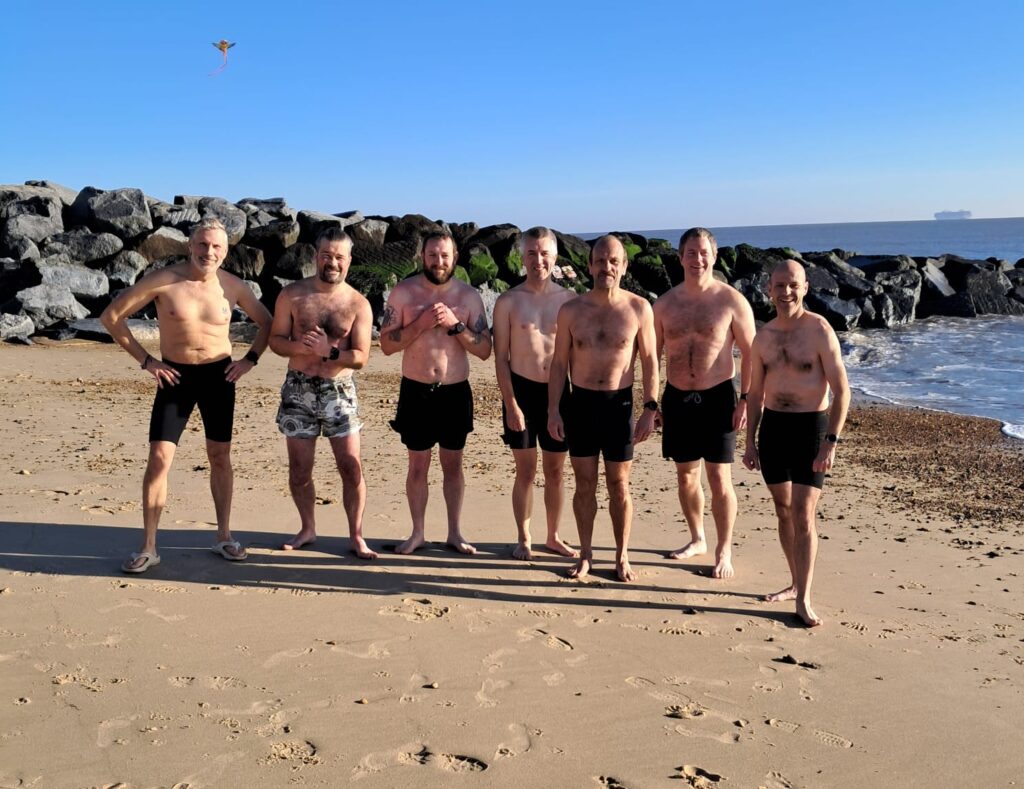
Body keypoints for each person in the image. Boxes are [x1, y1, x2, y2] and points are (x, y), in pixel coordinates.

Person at [100, 217, 271, 573]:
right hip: (175, 376)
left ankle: (224, 536)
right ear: (190, 245)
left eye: (217, 246)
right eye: (203, 244)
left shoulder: (233, 286)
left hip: (219, 376)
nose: (209, 252)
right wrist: (147, 361)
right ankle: (149, 546)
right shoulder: (164, 280)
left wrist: (249, 360)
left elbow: (267, 323)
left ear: (226, 251)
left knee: (220, 456)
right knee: (159, 458)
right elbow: (112, 316)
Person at [741, 259, 851, 627]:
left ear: (804, 288)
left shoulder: (819, 330)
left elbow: (842, 392)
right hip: (774, 429)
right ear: (768, 290)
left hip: (811, 429)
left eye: (793, 285)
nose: (786, 292)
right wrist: (750, 442)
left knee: (804, 513)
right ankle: (794, 582)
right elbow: (755, 395)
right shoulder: (763, 337)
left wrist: (830, 442)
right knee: (783, 510)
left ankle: (804, 597)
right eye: (779, 285)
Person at [547, 234, 658, 582]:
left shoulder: (639, 308)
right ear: (589, 265)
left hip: (618, 405)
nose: (605, 267)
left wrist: (650, 408)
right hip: (580, 405)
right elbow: (558, 363)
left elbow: (650, 361)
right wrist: (553, 410)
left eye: (613, 261)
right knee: (584, 484)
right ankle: (585, 554)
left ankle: (622, 556)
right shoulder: (571, 310)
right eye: (599, 260)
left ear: (624, 266)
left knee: (619, 484)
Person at [379, 230, 492, 554]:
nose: (438, 261)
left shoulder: (468, 297)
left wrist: (456, 325)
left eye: (444, 255)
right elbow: (386, 344)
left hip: (455, 392)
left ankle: (455, 532)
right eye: (432, 255)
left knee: (453, 466)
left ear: (455, 258)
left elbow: (484, 350)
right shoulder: (404, 293)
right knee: (418, 466)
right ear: (422, 257)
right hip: (416, 391)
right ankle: (417, 533)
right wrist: (420, 324)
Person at [268, 226, 376, 559]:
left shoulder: (358, 304)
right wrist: (300, 347)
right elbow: (276, 340)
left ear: (349, 260)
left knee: (351, 467)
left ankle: (356, 535)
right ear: (316, 257)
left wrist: (329, 351)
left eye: (339, 257)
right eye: (326, 255)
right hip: (298, 389)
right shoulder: (292, 295)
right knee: (300, 470)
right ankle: (307, 528)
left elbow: (360, 357)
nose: (333, 262)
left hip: (338, 392)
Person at [653, 227, 755, 579]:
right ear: (680, 257)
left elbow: (752, 354)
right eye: (691, 253)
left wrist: (746, 400)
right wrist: (652, 403)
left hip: (719, 397)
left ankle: (724, 548)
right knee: (685, 476)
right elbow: (651, 357)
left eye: (704, 253)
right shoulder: (664, 305)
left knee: (719, 477)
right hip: (677, 398)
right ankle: (697, 538)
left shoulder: (731, 301)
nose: (698, 259)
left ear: (714, 256)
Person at [492, 227, 577, 560]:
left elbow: (576, 356)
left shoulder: (569, 300)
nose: (538, 260)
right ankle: (524, 538)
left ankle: (553, 536)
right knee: (525, 472)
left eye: (544, 253)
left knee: (555, 472)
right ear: (522, 257)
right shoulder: (508, 301)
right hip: (522, 392)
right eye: (531, 253)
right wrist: (511, 404)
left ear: (554, 257)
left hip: (559, 393)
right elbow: (501, 358)